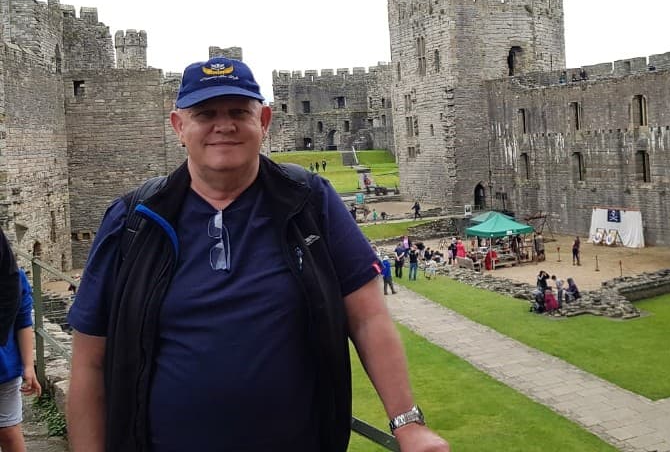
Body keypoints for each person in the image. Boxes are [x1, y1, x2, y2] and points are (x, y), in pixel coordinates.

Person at [66, 57, 448, 452]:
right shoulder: (133, 219)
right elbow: (90, 359)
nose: (224, 125)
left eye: (238, 111)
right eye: (205, 113)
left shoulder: (311, 202)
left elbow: (367, 317)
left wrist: (408, 424)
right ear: (179, 127)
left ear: (264, 121)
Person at [0, 268, 42, 452]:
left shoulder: (12, 276)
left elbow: (23, 321)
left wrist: (28, 366)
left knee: (9, 432)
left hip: (4, 370)